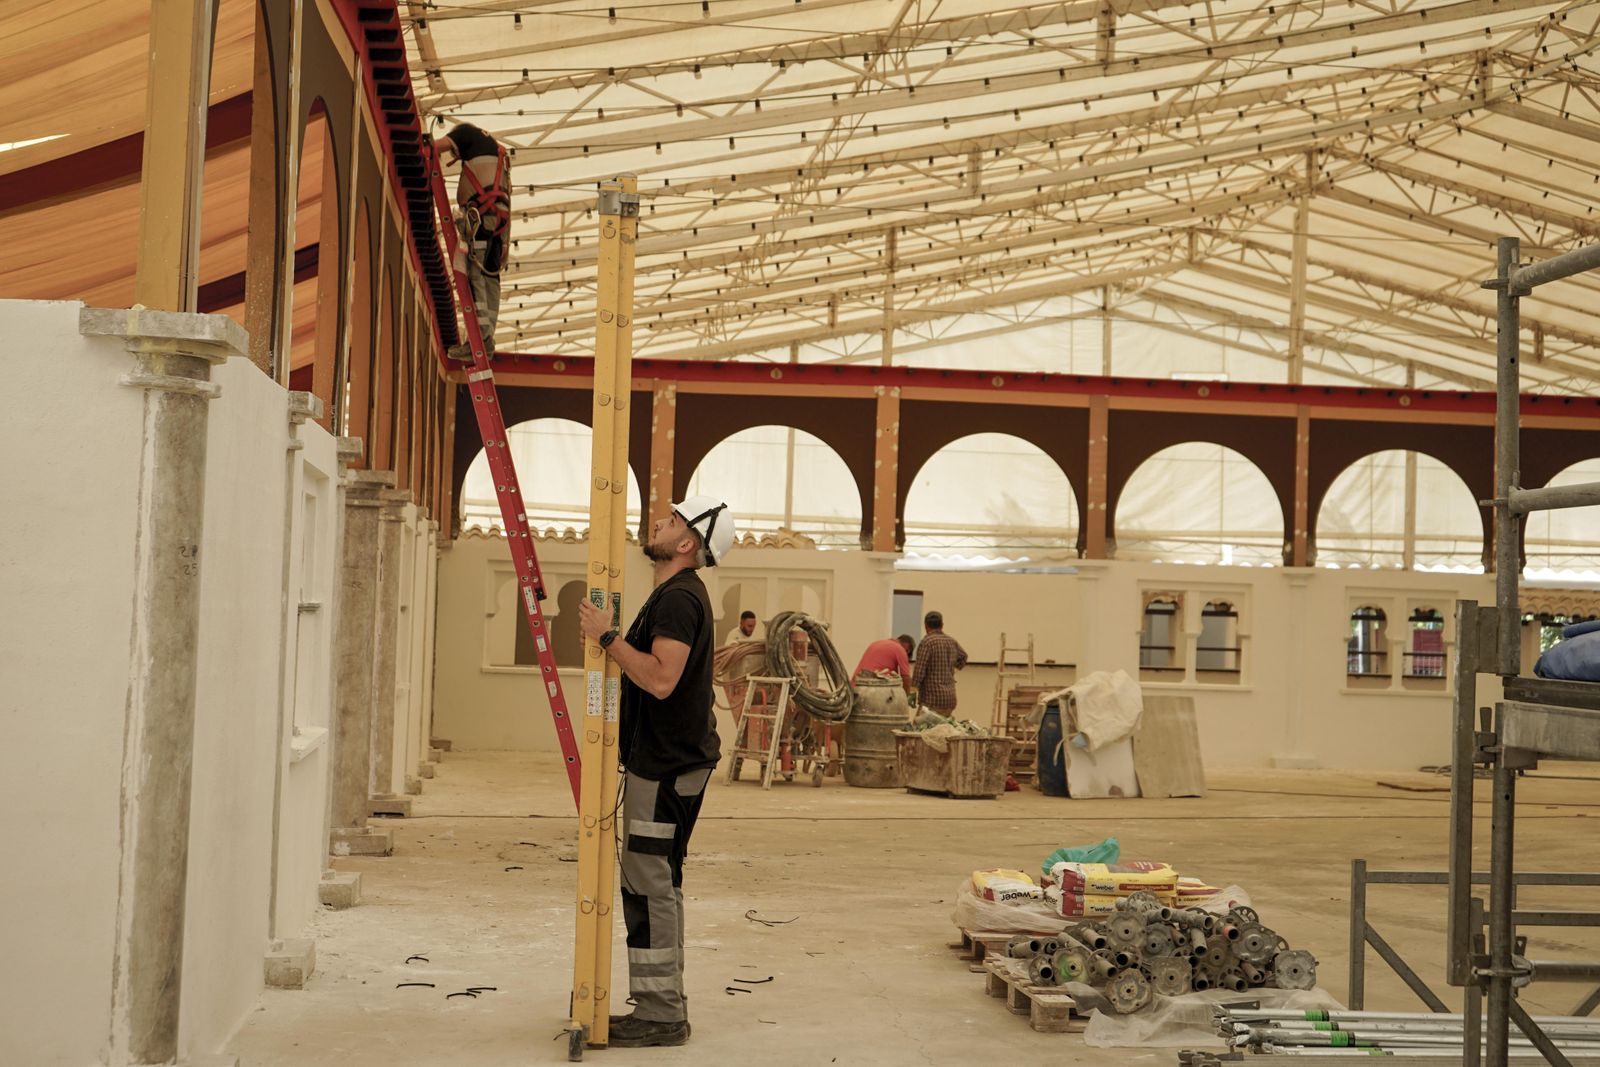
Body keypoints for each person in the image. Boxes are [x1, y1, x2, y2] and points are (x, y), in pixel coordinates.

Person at [576, 494, 735, 1049]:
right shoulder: (674, 595)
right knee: (652, 880)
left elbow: (662, 680)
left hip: (667, 767)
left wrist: (607, 637)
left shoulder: (678, 599)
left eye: (670, 522)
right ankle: (660, 1005)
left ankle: (662, 1012)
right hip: (667, 763)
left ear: (686, 544)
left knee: (650, 883)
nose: (658, 524)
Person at [432, 122, 510, 361]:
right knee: (490, 280)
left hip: (482, 219)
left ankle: (479, 341)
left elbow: (434, 147)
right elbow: (509, 196)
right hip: (498, 222)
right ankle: (486, 339)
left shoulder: (465, 133)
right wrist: (505, 243)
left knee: (476, 277)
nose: (454, 155)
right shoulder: (499, 153)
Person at [912, 611, 967, 714]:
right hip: (949, 699)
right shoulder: (951, 641)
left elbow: (919, 671)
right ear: (942, 625)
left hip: (931, 700)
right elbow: (963, 656)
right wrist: (952, 668)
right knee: (943, 729)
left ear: (926, 625)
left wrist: (912, 691)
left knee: (920, 728)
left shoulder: (927, 642)